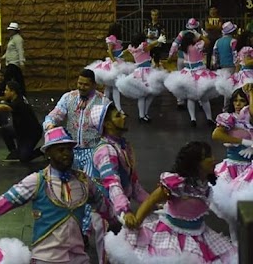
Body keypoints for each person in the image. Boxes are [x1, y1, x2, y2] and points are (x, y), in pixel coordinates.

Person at [0, 127, 113, 264]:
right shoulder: (37, 181)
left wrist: (122, 219)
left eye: (69, 149)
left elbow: (104, 205)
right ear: (48, 153)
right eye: (60, 150)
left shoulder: (83, 180)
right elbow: (5, 202)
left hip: (78, 258)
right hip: (46, 258)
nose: (66, 154)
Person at [104, 141, 237, 263]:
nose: (213, 159)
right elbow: (151, 201)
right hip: (172, 235)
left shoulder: (204, 185)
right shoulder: (177, 183)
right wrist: (136, 222)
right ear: (196, 163)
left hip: (199, 235)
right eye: (208, 157)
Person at [43, 68, 108, 247]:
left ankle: (84, 232)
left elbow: (107, 128)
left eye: (86, 85)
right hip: (71, 152)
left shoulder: (102, 102)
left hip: (92, 151)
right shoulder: (68, 97)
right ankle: (68, 227)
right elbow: (55, 115)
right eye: (79, 83)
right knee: (67, 190)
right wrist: (49, 125)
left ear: (94, 85)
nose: (81, 87)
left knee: (87, 190)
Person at [90, 102, 149, 218]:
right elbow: (112, 183)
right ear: (108, 124)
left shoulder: (122, 146)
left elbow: (133, 184)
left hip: (117, 210)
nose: (124, 117)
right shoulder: (106, 151)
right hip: (106, 215)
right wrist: (124, 210)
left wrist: (152, 202)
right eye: (118, 116)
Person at [210, 85, 253, 242]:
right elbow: (217, 135)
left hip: (250, 168)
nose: (238, 104)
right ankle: (235, 242)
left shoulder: (249, 119)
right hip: (233, 167)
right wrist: (244, 142)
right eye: (235, 100)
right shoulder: (230, 118)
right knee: (232, 209)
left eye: (242, 100)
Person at [164, 31, 218, 127]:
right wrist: (200, 35)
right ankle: (209, 118)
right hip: (199, 72)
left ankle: (193, 119)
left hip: (187, 72)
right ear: (192, 39)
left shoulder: (184, 48)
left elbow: (174, 47)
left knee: (190, 97)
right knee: (204, 97)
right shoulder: (197, 46)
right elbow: (208, 42)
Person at [115, 33, 168, 122]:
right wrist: (158, 41)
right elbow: (149, 47)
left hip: (139, 71)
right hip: (145, 71)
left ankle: (144, 114)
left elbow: (124, 52)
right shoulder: (143, 45)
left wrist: (119, 55)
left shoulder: (131, 47)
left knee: (146, 94)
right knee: (145, 94)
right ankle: (142, 115)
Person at [0, 81, 43, 162]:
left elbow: (4, 107)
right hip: (20, 130)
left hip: (31, 134)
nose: (4, 92)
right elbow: (4, 99)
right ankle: (14, 151)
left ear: (13, 92)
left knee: (24, 158)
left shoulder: (18, 103)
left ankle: (43, 150)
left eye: (7, 90)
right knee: (4, 130)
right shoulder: (17, 97)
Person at [86, 23, 135, 114]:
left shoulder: (114, 39)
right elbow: (109, 51)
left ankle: (104, 107)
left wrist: (126, 51)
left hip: (118, 61)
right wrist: (114, 62)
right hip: (114, 63)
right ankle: (117, 108)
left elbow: (117, 52)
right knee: (115, 86)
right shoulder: (112, 38)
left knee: (109, 87)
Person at [167, 18, 202, 108]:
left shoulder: (182, 33)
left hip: (181, 58)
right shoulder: (197, 35)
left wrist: (170, 56)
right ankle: (200, 100)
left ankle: (180, 101)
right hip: (193, 62)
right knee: (196, 80)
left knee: (181, 79)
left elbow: (174, 45)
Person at [212, 21, 238, 109]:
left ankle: (226, 107)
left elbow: (215, 55)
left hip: (222, 67)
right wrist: (237, 65)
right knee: (233, 86)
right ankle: (229, 107)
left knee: (226, 86)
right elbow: (235, 54)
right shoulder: (233, 41)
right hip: (232, 67)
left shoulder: (217, 42)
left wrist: (216, 64)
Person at [2, 22, 26, 96]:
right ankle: (21, 94)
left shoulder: (18, 39)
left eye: (11, 30)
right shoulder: (12, 39)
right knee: (18, 79)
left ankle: (4, 93)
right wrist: (3, 57)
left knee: (7, 78)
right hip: (11, 63)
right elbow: (9, 51)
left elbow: (20, 51)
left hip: (14, 63)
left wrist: (22, 62)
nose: (9, 31)